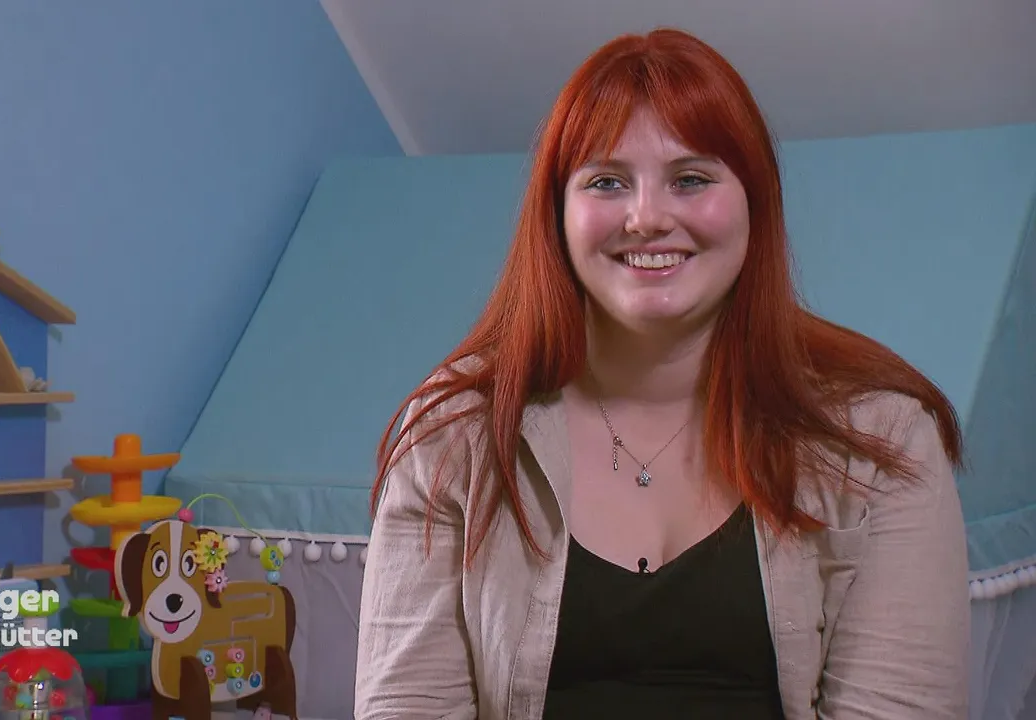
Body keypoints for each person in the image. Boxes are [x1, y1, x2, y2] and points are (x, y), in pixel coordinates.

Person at [354, 27, 969, 720]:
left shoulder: (882, 439)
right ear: (556, 214)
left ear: (755, 203)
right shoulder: (453, 432)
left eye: (691, 179)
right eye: (607, 182)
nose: (646, 218)